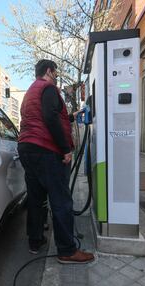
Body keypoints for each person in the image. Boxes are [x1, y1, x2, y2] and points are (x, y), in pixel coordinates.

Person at [18, 59, 94, 264]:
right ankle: (67, 251)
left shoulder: (31, 92)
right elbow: (50, 118)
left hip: (27, 148)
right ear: (49, 71)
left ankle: (35, 241)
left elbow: (42, 118)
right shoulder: (49, 88)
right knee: (61, 200)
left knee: (36, 198)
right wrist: (65, 149)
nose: (57, 76)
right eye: (56, 72)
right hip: (46, 151)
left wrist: (71, 116)